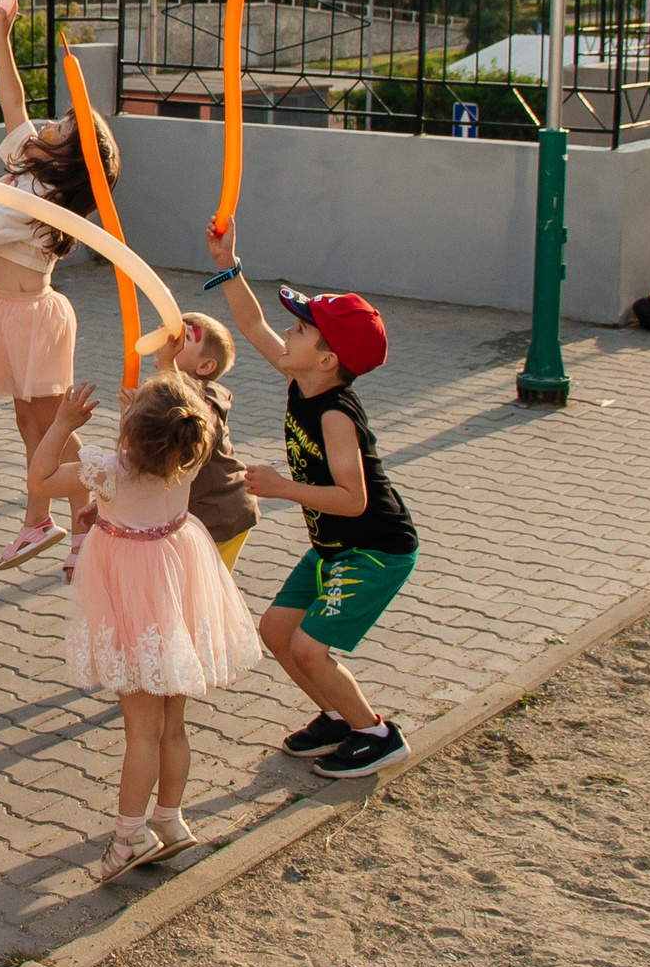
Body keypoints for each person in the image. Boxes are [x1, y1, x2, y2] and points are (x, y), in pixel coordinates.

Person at [204, 221, 420, 779]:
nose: (288, 334)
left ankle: (376, 734)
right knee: (275, 631)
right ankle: (335, 715)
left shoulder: (335, 414)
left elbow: (352, 499)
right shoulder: (304, 380)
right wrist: (230, 265)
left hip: (373, 548)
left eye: (301, 331)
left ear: (327, 360)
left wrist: (281, 488)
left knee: (306, 648)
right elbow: (250, 321)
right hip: (332, 545)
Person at [31, 377, 259, 881]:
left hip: (131, 600)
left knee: (141, 730)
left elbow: (40, 480)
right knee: (171, 724)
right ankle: (170, 820)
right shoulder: (188, 456)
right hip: (176, 586)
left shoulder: (108, 471)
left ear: (132, 437)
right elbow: (148, 462)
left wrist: (62, 424)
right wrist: (136, 424)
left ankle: (130, 835)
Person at [0, 0, 117, 573]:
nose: (45, 126)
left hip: (33, 315)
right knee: (31, 421)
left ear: (70, 160)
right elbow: (13, 103)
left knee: (49, 421)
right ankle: (73, 516)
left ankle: (80, 507)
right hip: (8, 310)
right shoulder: (34, 170)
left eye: (59, 128)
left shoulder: (35, 197)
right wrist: (1, 35)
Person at [158, 311, 259, 572]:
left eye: (187, 336)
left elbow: (196, 422)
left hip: (223, 514)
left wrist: (168, 366)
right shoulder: (163, 387)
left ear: (205, 367)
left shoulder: (210, 394)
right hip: (197, 513)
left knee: (207, 592)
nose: (174, 335)